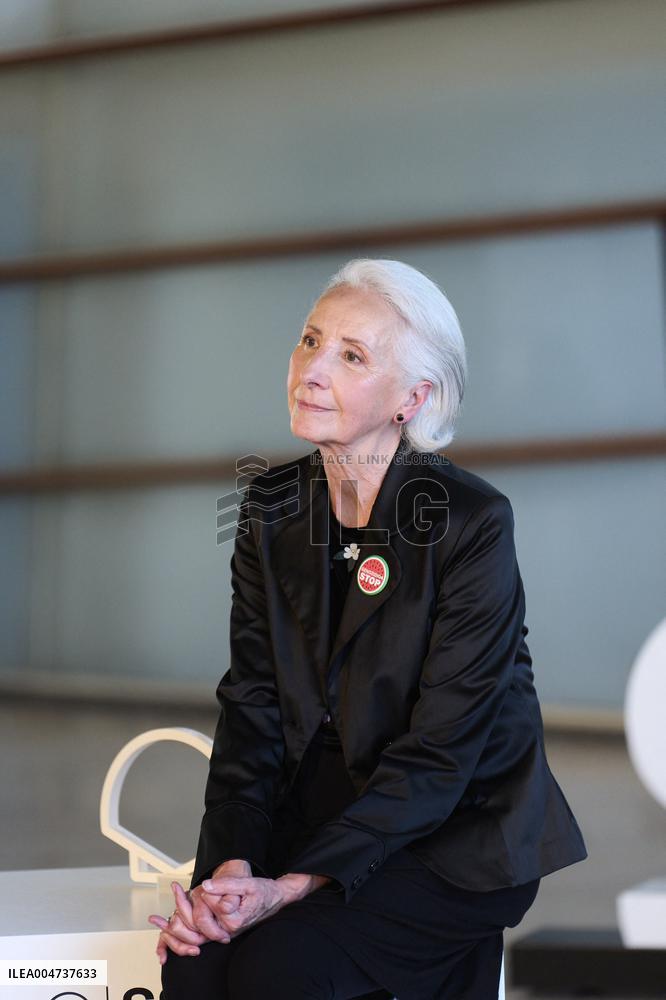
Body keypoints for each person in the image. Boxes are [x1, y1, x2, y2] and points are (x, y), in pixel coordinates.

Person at [149, 258, 587, 999]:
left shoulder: (471, 522)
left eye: (352, 356)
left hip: (453, 831)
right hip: (317, 809)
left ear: (412, 398)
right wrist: (230, 867)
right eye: (310, 341)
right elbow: (252, 705)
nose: (313, 370)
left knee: (279, 969)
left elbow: (442, 755)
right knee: (195, 965)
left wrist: (291, 887)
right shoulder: (270, 507)